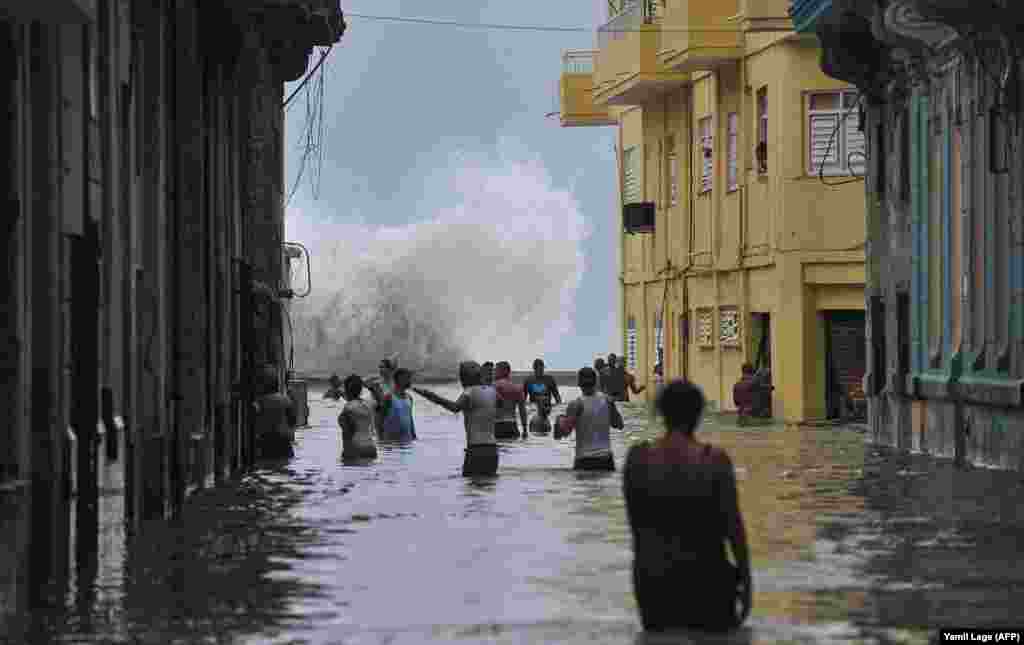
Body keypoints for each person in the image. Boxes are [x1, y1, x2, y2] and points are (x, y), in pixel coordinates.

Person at [623, 379, 752, 633]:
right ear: (698, 413)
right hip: (707, 580)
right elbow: (733, 528)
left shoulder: (638, 459)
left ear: (661, 413)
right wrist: (746, 579)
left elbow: (637, 528)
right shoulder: (714, 460)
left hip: (654, 581)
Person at [413, 361, 499, 476]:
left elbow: (454, 408)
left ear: (466, 378)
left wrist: (433, 397)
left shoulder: (469, 392)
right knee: (488, 487)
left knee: (472, 490)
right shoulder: (492, 391)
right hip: (492, 450)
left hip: (476, 449)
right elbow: (501, 404)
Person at [555, 367, 623, 470]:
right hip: (606, 460)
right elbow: (619, 425)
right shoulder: (608, 400)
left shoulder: (576, 405)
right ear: (596, 382)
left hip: (584, 459)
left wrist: (559, 421)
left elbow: (563, 433)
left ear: (579, 383)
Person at [338, 374, 377, 460]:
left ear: (346, 390)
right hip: (371, 448)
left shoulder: (348, 408)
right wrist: (371, 388)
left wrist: (346, 454)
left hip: (356, 448)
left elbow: (348, 432)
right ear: (360, 390)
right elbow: (379, 400)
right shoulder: (369, 404)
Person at [377, 367, 417, 441]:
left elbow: (410, 419)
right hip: (391, 441)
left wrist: (414, 435)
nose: (410, 381)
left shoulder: (409, 398)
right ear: (399, 379)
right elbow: (379, 420)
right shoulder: (388, 397)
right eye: (407, 378)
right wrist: (381, 439)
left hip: (407, 440)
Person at [493, 361, 528, 439]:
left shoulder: (493, 386)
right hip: (512, 425)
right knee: (511, 449)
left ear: (504, 371)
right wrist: (525, 429)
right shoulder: (517, 388)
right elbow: (522, 410)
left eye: (496, 370)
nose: (494, 373)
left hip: (497, 425)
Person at [367, 358, 396, 430]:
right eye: (379, 367)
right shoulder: (376, 384)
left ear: (389, 369)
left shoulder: (395, 385)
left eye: (382, 367)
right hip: (376, 420)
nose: (380, 369)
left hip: (392, 420)